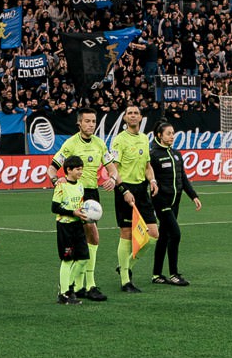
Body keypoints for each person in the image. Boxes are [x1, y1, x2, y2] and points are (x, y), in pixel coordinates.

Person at [51, 109, 107, 300]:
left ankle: (81, 285)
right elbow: (52, 167)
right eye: (87, 121)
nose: (91, 124)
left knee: (91, 239)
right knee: (91, 237)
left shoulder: (100, 143)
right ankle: (82, 285)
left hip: (91, 192)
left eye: (93, 121)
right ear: (79, 124)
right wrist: (56, 181)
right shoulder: (70, 144)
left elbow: (111, 166)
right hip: (76, 193)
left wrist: (114, 178)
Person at [148, 120, 201, 286]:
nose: (172, 136)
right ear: (159, 135)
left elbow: (183, 178)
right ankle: (173, 274)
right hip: (161, 201)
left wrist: (193, 196)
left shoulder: (177, 154)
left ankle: (156, 274)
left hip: (175, 201)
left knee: (164, 236)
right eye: (168, 133)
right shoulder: (153, 155)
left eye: (173, 133)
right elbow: (149, 178)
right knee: (175, 234)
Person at [109, 104, 154, 293]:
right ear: (125, 118)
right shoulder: (119, 140)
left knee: (153, 235)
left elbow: (147, 166)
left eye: (136, 113)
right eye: (130, 113)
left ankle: (125, 267)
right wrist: (123, 190)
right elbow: (114, 169)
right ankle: (125, 282)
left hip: (142, 190)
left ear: (141, 117)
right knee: (127, 234)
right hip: (125, 188)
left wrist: (153, 180)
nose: (133, 116)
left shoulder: (144, 138)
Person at [51, 154, 98, 304]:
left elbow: (80, 204)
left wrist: (85, 214)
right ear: (68, 170)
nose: (80, 172)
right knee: (67, 259)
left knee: (83, 258)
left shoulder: (80, 185)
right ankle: (64, 294)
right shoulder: (61, 185)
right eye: (78, 169)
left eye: (81, 169)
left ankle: (66, 285)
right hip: (65, 226)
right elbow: (54, 207)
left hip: (78, 225)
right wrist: (73, 213)